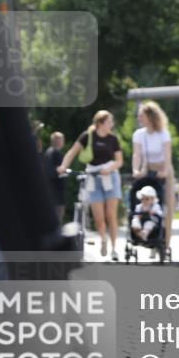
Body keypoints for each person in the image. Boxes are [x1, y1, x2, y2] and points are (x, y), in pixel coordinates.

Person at [57, 110, 125, 260]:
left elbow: (119, 161)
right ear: (100, 123)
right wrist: (63, 166)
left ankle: (114, 248)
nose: (111, 125)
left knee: (110, 215)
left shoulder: (113, 139)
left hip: (110, 178)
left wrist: (109, 169)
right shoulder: (87, 136)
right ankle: (103, 239)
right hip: (93, 177)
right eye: (109, 122)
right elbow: (72, 152)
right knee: (99, 218)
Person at [132, 101, 175, 252]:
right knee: (145, 204)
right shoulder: (139, 135)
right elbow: (137, 154)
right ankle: (151, 240)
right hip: (147, 169)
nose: (139, 118)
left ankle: (166, 243)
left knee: (167, 207)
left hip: (163, 168)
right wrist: (135, 170)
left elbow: (167, 154)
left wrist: (164, 171)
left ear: (150, 117)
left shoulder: (163, 133)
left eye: (141, 115)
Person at [42, 132, 66, 220]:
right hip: (57, 190)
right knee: (58, 215)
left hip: (49, 189)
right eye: (62, 140)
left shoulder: (48, 152)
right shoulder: (56, 153)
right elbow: (58, 171)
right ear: (59, 141)